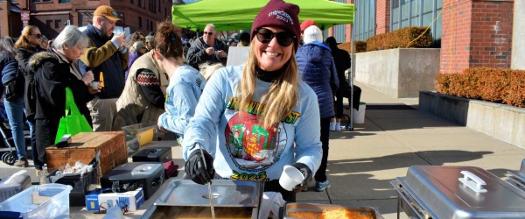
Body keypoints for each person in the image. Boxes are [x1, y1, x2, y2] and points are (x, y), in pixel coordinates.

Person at [182, 0, 322, 202]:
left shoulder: (304, 96)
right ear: (254, 38)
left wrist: (305, 167)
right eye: (265, 35)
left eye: (284, 38)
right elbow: (202, 122)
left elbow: (310, 147)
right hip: (227, 186)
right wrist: (196, 149)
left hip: (277, 189)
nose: (273, 44)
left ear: (293, 46)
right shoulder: (225, 80)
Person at [29, 25, 96, 174]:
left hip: (66, 132)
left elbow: (75, 96)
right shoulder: (49, 65)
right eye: (79, 48)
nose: (82, 52)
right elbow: (57, 97)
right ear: (65, 45)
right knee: (59, 180)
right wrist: (83, 82)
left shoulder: (66, 63)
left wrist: (89, 91)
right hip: (55, 133)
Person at [296, 25, 339, 192]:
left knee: (301, 142)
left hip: (301, 104)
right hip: (324, 104)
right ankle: (320, 179)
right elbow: (335, 80)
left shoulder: (298, 53)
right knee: (322, 143)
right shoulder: (327, 54)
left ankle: (302, 179)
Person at [114, 24, 173, 129]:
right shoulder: (145, 67)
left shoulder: (158, 63)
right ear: (159, 52)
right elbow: (155, 98)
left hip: (144, 119)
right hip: (131, 121)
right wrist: (177, 107)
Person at [79, 5, 128, 131]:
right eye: (111, 22)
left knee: (116, 144)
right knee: (101, 143)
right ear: (100, 21)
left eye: (114, 23)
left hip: (116, 98)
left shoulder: (109, 38)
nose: (114, 26)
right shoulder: (85, 37)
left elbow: (122, 66)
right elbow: (91, 59)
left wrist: (123, 51)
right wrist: (113, 44)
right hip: (100, 101)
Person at [156, 22, 206, 143]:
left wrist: (163, 120)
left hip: (198, 148)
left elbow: (189, 123)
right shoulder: (191, 73)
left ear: (157, 55)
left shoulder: (180, 82)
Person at [14, 25, 45, 169]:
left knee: (44, 128)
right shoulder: (21, 52)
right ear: (28, 36)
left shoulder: (40, 50)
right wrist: (42, 55)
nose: (40, 38)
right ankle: (38, 163)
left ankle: (44, 158)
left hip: (43, 92)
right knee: (34, 128)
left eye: (41, 35)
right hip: (31, 94)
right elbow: (28, 68)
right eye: (37, 36)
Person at [1, 37, 28, 167]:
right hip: (27, 91)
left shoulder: (3, 56)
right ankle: (40, 153)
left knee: (16, 126)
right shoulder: (21, 54)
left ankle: (22, 158)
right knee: (32, 122)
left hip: (10, 93)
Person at [325, 36, 353, 129]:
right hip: (341, 80)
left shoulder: (326, 54)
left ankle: (332, 121)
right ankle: (339, 120)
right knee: (340, 100)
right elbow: (348, 64)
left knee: (331, 101)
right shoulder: (344, 53)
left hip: (330, 80)